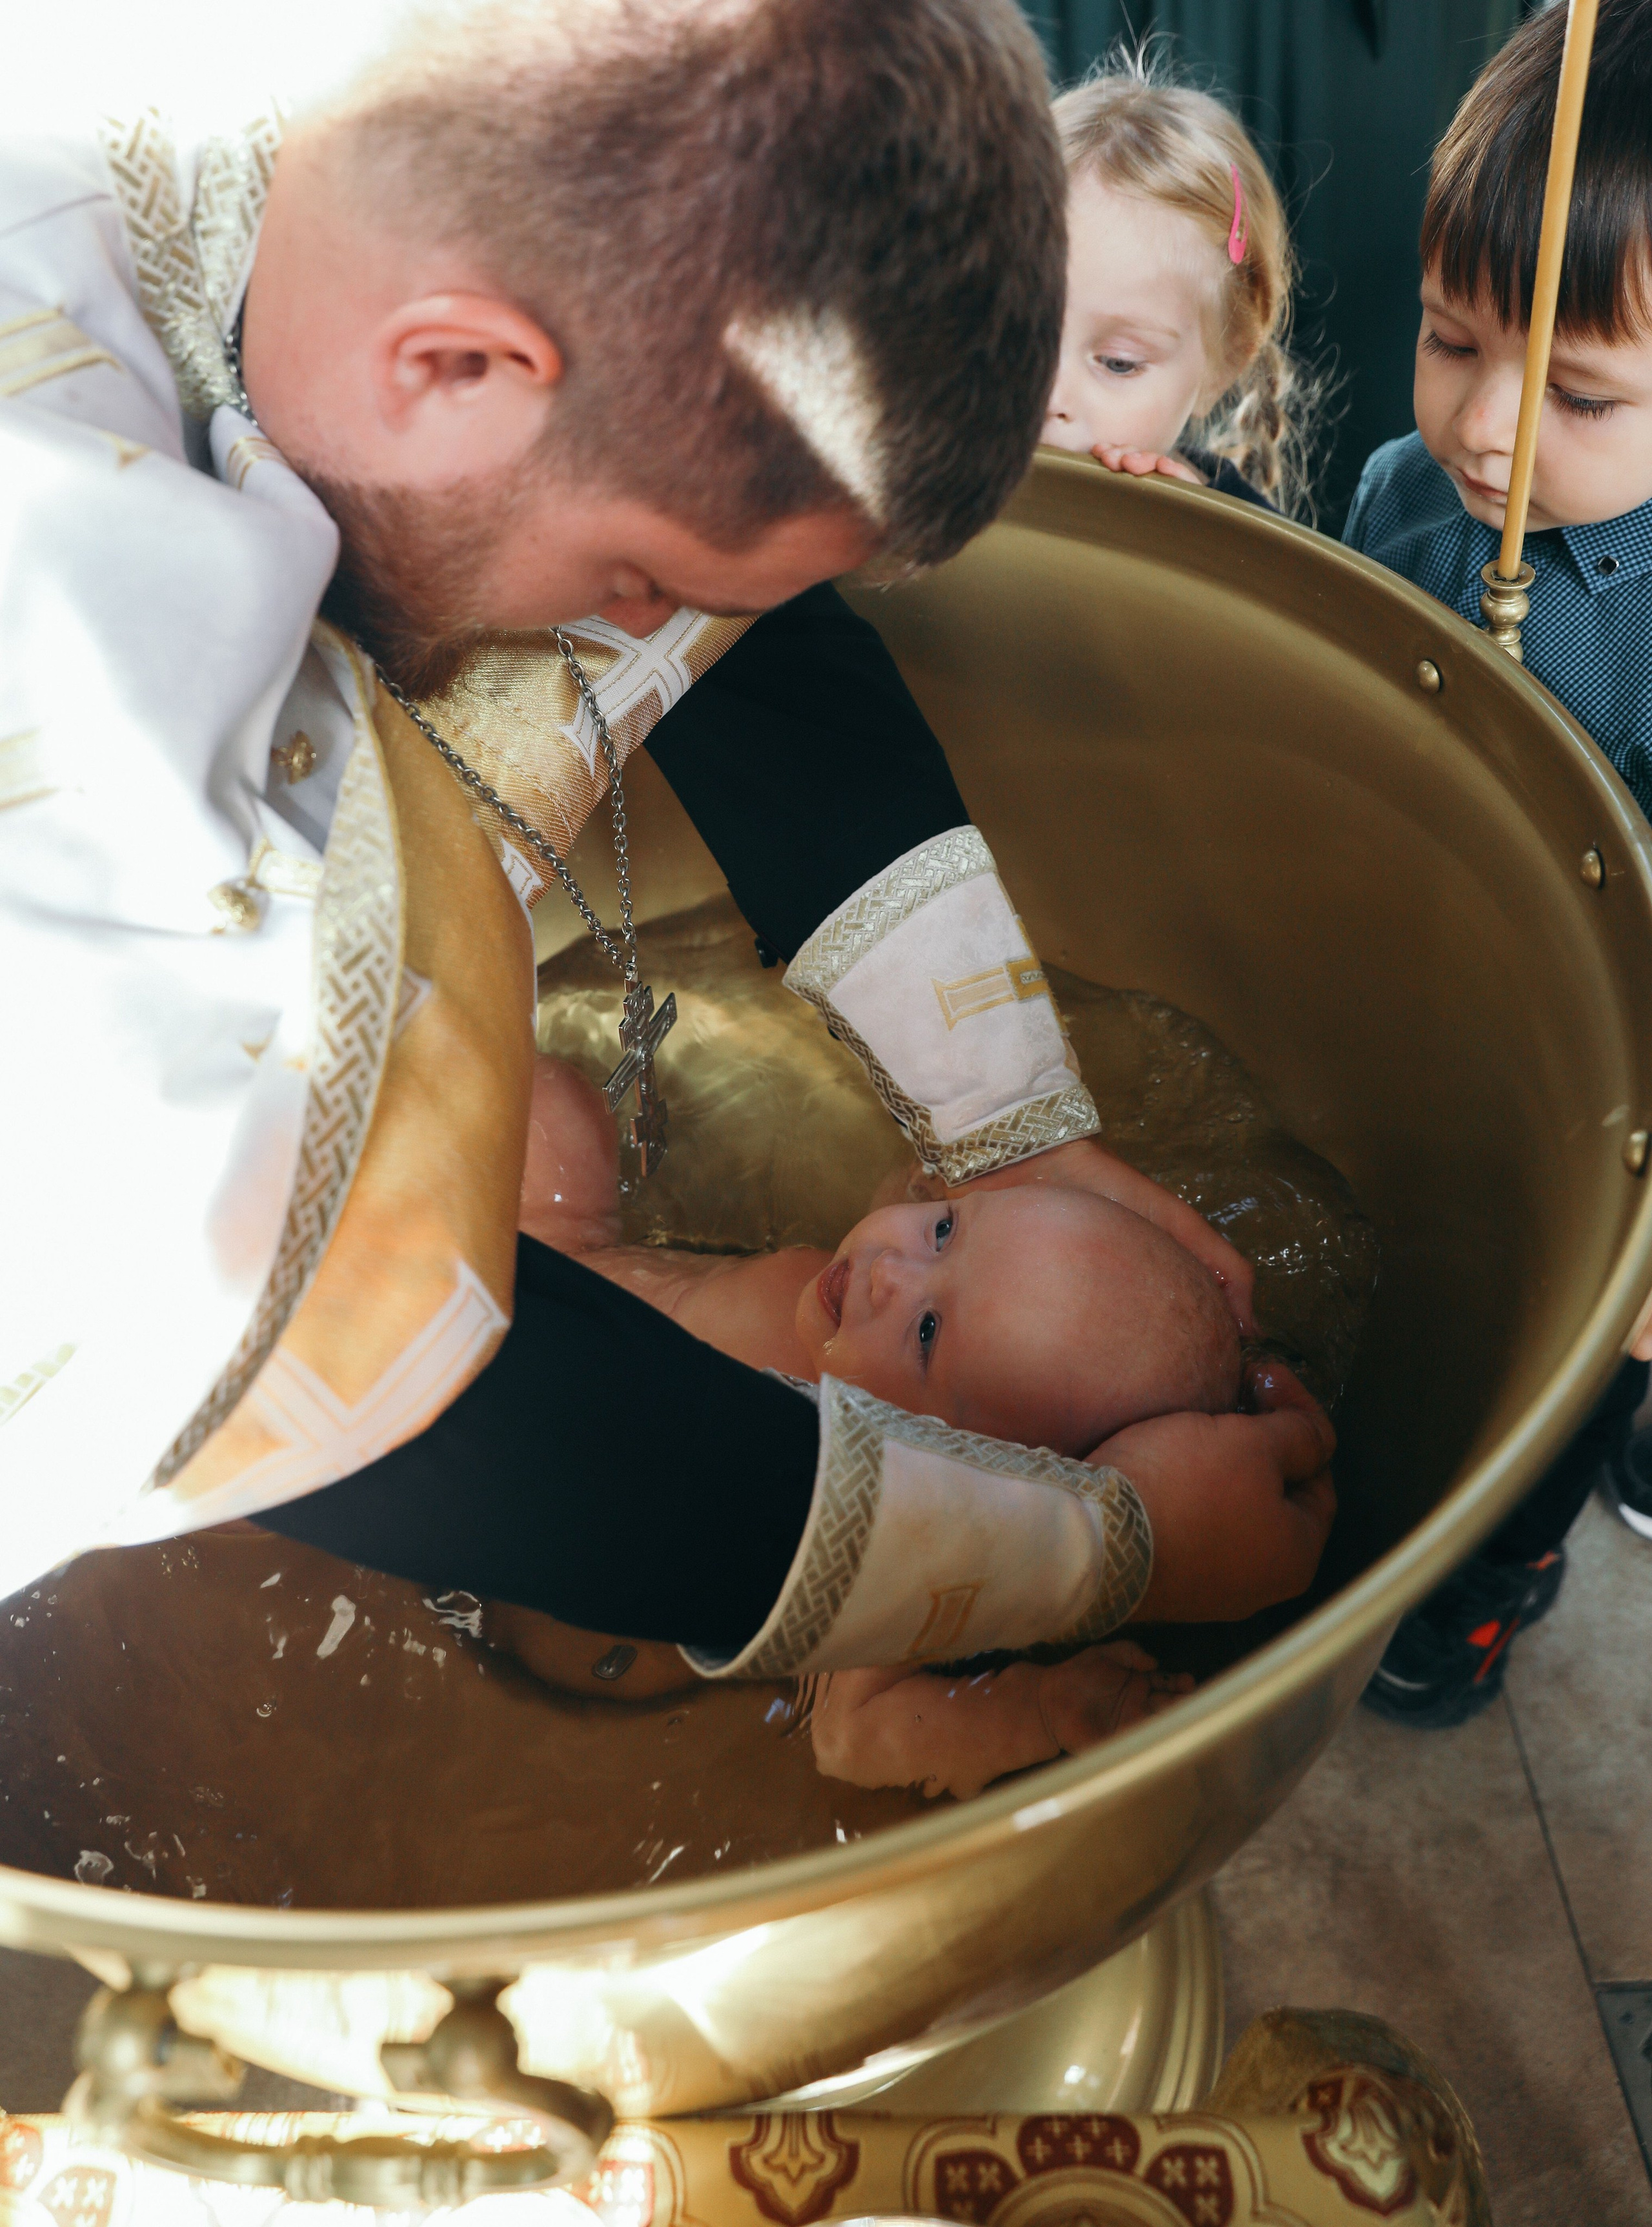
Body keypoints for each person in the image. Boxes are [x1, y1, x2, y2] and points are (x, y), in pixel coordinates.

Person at [1, 0, 1336, 1684]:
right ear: (456, 365)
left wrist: (1012, 1128)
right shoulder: (60, 717)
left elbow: (714, 554)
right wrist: (1106, 1548)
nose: (646, 639)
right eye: (634, 582)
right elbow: (339, 1353)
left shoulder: (410, 142)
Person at [498, 1052, 1333, 1799]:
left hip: (509, 1422)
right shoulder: (861, 1299)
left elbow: (851, 1735)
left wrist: (1047, 1708)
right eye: (944, 1229)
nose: (889, 1267)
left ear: (968, 1474)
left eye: (930, 1332)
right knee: (550, 1099)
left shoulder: (895, 1531)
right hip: (563, 1255)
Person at [1343, 0, 1652, 1726]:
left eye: (1585, 394)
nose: (1492, 429)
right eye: (1454, 341)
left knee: (1582, 1344)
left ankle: (1501, 1565)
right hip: (1433, 979)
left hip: (1618, 1071)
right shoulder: (1404, 488)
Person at [1040, 50, 1318, 515]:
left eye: (1118, 363)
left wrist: (1199, 546)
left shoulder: (1253, 560)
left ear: (1223, 366)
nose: (1047, 397)